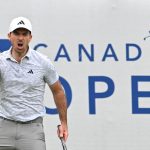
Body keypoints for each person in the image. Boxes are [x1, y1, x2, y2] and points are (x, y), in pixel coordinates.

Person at [0, 16, 68, 150]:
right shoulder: (1, 61)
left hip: (32, 129)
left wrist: (64, 123)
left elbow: (58, 91)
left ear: (30, 37)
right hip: (3, 126)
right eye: (17, 34)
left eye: (24, 34)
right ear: (9, 36)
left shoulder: (42, 62)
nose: (20, 38)